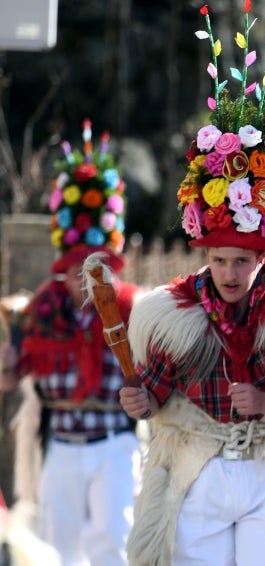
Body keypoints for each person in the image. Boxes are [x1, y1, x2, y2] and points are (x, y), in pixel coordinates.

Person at [117, 6, 265, 565]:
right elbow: (154, 394)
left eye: (242, 260)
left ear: (264, 255)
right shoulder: (177, 314)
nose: (230, 273)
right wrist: (139, 398)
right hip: (201, 469)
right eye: (219, 259)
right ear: (205, 253)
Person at [12, 119, 141, 566]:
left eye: (96, 267)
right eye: (75, 269)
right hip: (62, 445)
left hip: (114, 445)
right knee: (55, 553)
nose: (85, 278)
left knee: (114, 549)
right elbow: (11, 376)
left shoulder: (133, 309)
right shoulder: (42, 313)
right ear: (62, 270)